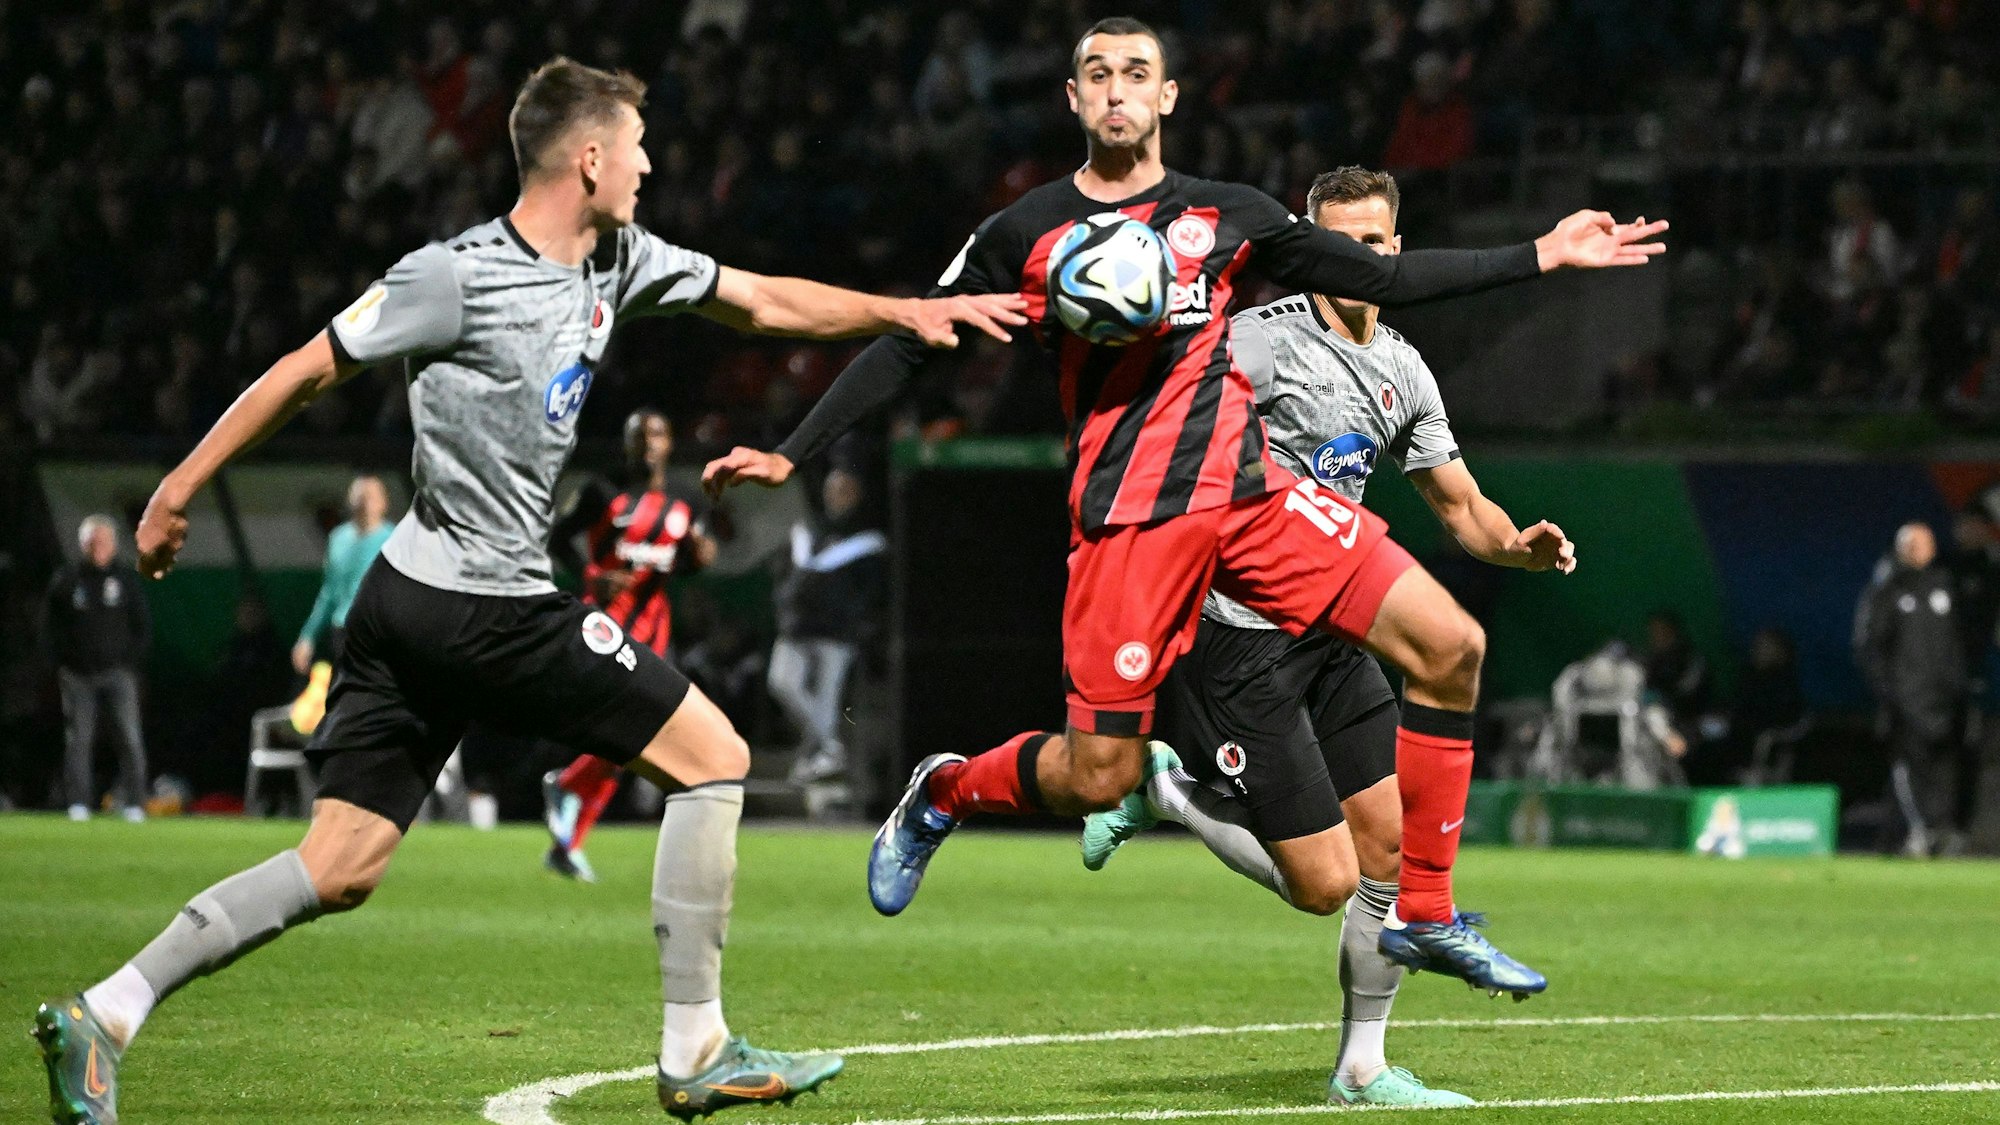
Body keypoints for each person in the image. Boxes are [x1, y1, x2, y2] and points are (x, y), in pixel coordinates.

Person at [34, 56, 1027, 1125]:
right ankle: (694, 1045)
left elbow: (758, 300)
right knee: (715, 758)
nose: (650, 165)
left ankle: (107, 1010)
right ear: (590, 158)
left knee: (342, 861)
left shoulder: (621, 260)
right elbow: (305, 366)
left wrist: (906, 313)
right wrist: (175, 490)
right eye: (638, 148)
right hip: (483, 605)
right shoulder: (452, 275)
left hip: (405, 600)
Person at [704, 16, 1661, 995]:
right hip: (1129, 523)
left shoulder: (1230, 217)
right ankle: (944, 789)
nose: (1115, 90)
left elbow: (1376, 275)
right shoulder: (1022, 233)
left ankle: (1423, 909)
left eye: (1135, 74)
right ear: (1071, 99)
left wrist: (1538, 254)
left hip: (1253, 501)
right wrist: (792, 452)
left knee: (1450, 643)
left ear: (1166, 98)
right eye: (1095, 75)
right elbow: (909, 336)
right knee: (1096, 778)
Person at [1077, 168, 1576, 1107]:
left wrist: (1517, 546)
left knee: (1388, 850)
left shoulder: (1405, 366)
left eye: (1377, 244)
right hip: (1240, 638)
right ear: (1309, 249)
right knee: (1321, 883)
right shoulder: (1251, 347)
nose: (1362, 259)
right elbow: (1162, 441)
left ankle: (1363, 1064)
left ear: (1397, 248)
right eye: (1340, 243)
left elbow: (1460, 505)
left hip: (1338, 627)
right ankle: (1169, 791)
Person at [540, 408, 717, 882]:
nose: (647, 443)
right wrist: (593, 577)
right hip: (605, 628)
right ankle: (568, 789)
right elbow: (557, 537)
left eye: (656, 434)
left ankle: (569, 834)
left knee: (634, 737)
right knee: (630, 729)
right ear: (627, 443)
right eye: (638, 435)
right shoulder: (602, 491)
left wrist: (701, 556)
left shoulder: (682, 503)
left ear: (670, 442)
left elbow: (692, 557)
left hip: (654, 630)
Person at [1854, 521, 1967, 857]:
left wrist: (1957, 683)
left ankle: (1940, 831)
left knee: (1945, 767)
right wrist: (1889, 691)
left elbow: (1959, 642)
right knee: (1908, 766)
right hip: (1905, 700)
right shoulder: (1888, 588)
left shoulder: (1944, 585)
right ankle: (1916, 831)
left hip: (1944, 700)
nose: (1926, 550)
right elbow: (1869, 646)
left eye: (1929, 543)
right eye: (1919, 544)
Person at [768, 467, 888, 784]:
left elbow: (873, 591)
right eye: (832, 488)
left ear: (857, 494)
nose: (836, 495)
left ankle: (819, 756)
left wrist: (856, 621)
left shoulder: (868, 539)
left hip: (836, 635)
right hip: (796, 629)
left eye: (844, 489)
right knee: (781, 683)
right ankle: (829, 747)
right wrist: (785, 606)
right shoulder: (809, 530)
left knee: (826, 701)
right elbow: (783, 574)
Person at [44, 515, 152, 822]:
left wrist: (130, 663)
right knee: (79, 740)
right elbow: (51, 628)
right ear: (82, 544)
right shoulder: (67, 579)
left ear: (114, 544)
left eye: (103, 541)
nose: (98, 547)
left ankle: (135, 803)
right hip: (78, 676)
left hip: (118, 673)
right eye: (92, 542)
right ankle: (78, 803)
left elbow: (141, 626)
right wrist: (62, 664)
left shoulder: (126, 580)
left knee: (130, 737)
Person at [293, 475, 395, 675]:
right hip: (344, 630)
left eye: (370, 497)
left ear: (383, 503)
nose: (364, 503)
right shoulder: (338, 539)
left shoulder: (393, 538)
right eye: (360, 497)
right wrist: (307, 637)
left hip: (379, 631)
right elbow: (328, 592)